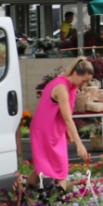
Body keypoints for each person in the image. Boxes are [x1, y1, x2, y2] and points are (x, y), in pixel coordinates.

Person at [29, 57, 93, 187]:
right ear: (75, 74)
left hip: (51, 127)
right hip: (45, 130)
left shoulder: (67, 83)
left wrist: (66, 131)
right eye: (84, 81)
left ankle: (25, 192)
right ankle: (61, 200)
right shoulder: (62, 88)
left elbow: (62, 115)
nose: (84, 85)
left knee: (45, 164)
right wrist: (79, 144)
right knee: (59, 166)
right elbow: (67, 118)